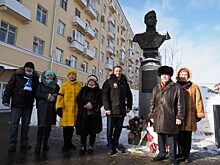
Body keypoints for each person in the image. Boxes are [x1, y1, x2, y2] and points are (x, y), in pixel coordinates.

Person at [149, 66, 185, 165]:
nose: (164, 77)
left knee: (172, 137)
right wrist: (151, 115)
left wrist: (179, 116)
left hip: (171, 116)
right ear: (160, 76)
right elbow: (152, 102)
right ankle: (161, 153)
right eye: (163, 75)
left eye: (167, 75)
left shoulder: (176, 87)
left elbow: (180, 103)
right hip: (158, 116)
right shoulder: (156, 88)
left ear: (170, 76)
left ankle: (172, 157)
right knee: (160, 135)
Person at [2, 62, 39, 153]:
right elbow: (9, 87)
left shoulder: (35, 79)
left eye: (30, 68)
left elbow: (37, 92)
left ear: (33, 69)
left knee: (26, 125)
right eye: (27, 67)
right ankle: (12, 143)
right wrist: (6, 100)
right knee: (14, 124)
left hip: (28, 106)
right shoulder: (17, 76)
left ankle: (24, 142)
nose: (29, 69)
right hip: (16, 105)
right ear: (24, 68)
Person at [176, 67, 205, 163]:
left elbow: (199, 101)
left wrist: (199, 114)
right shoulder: (175, 86)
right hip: (178, 116)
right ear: (178, 75)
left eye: (185, 75)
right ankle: (180, 153)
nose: (183, 76)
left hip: (190, 116)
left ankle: (186, 155)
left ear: (188, 76)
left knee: (187, 137)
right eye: (181, 74)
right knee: (179, 137)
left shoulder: (194, 86)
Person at [102, 66, 133, 155]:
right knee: (110, 129)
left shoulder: (124, 83)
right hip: (111, 110)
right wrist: (107, 108)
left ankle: (115, 144)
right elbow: (104, 95)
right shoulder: (108, 82)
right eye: (116, 71)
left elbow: (129, 95)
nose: (118, 72)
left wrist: (129, 106)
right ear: (113, 71)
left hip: (121, 110)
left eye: (119, 71)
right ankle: (110, 146)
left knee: (118, 129)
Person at [56, 68, 82, 152]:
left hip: (75, 110)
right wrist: (59, 107)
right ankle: (65, 144)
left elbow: (82, 97)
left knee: (71, 128)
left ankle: (70, 143)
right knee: (66, 128)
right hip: (66, 110)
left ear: (75, 75)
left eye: (73, 74)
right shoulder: (64, 85)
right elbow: (60, 97)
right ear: (68, 75)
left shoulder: (79, 85)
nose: (71, 76)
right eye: (70, 74)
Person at [76, 75, 102, 155]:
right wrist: (85, 104)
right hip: (84, 113)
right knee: (83, 131)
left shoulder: (99, 91)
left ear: (95, 82)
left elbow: (101, 101)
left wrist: (93, 105)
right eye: (90, 80)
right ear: (88, 81)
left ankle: (91, 146)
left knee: (93, 131)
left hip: (94, 114)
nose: (91, 82)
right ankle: (83, 145)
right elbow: (78, 99)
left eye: (93, 81)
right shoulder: (83, 89)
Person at [35, 70, 60, 153]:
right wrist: (47, 96)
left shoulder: (56, 86)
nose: (49, 77)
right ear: (45, 76)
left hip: (51, 108)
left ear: (53, 77)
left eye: (51, 75)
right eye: (48, 75)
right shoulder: (40, 84)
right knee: (41, 126)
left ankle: (45, 143)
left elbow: (59, 95)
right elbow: (37, 94)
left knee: (48, 127)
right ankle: (38, 144)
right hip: (42, 108)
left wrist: (54, 97)